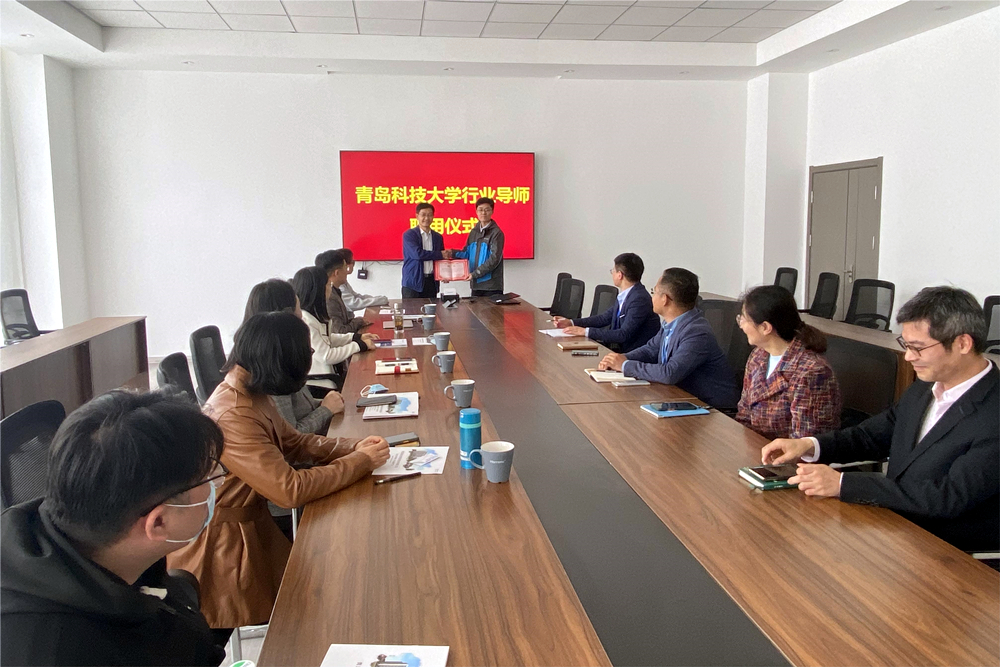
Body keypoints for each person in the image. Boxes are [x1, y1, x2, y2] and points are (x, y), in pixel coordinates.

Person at [167, 312, 390, 633]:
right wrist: (359, 462)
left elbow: (294, 442)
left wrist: (353, 447)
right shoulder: (234, 414)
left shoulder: (249, 391)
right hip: (225, 550)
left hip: (252, 524)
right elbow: (289, 490)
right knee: (323, 604)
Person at [761, 286, 998, 553]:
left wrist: (843, 484)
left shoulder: (994, 411)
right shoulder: (925, 387)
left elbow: (947, 497)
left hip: (949, 554)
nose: (908, 357)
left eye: (918, 348)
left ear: (962, 344)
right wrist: (809, 445)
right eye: (906, 345)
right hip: (894, 530)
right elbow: (871, 436)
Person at [1, 390, 227, 666]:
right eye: (208, 478)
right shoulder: (59, 652)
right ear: (158, 523)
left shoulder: (75, 529)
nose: (215, 486)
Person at [598, 268, 738, 409]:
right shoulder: (671, 323)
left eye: (654, 292)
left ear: (664, 299)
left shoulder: (697, 332)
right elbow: (650, 350)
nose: (652, 297)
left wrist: (625, 365)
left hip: (712, 409)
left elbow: (669, 373)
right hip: (680, 399)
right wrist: (621, 358)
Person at [735, 285, 841, 440]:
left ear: (765, 327)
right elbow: (744, 414)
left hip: (783, 454)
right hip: (755, 447)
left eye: (744, 319)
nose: (741, 325)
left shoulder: (811, 371)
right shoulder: (758, 356)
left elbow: (804, 442)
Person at [243, 278, 345, 434]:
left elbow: (301, 410)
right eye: (299, 311)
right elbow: (292, 436)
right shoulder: (271, 371)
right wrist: (326, 409)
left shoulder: (281, 354)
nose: (302, 317)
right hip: (311, 445)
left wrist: (325, 404)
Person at [292, 265, 378, 392]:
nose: (330, 289)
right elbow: (327, 356)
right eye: (328, 285)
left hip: (331, 374)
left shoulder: (314, 315)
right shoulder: (307, 321)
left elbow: (328, 339)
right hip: (321, 382)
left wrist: (355, 337)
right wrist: (359, 345)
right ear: (317, 291)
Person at [553, 253, 660, 353]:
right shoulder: (628, 294)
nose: (612, 273)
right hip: (619, 351)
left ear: (620, 275)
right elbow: (604, 318)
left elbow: (623, 334)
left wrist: (585, 332)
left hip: (633, 356)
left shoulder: (639, 299)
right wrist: (571, 322)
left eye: (613, 270)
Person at [452, 197, 505, 297]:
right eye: (480, 210)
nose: (483, 213)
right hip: (476, 285)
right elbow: (466, 253)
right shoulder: (473, 232)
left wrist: (476, 273)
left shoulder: (497, 233)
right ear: (476, 212)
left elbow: (494, 259)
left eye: (487, 210)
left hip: (491, 286)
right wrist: (451, 253)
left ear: (492, 211)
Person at [315, 249, 370, 334]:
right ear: (337, 273)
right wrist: (358, 321)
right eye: (345, 268)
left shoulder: (335, 291)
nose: (347, 272)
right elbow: (339, 332)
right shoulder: (329, 297)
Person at [402, 202, 448, 299]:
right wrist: (440, 254)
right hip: (413, 283)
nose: (426, 218)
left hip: (431, 282)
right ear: (417, 216)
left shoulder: (438, 237)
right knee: (412, 309)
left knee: (431, 309)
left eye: (429, 215)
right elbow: (417, 254)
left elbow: (441, 259)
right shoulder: (409, 235)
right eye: (423, 215)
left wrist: (444, 274)